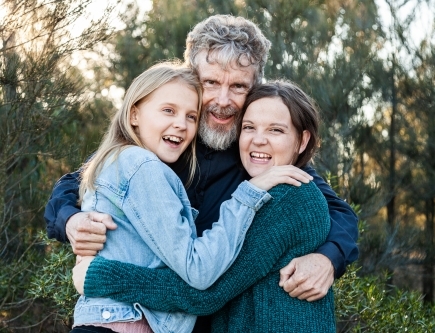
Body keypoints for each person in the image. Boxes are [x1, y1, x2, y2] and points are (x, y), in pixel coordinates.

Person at [44, 15, 359, 332]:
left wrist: (327, 259)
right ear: (191, 78)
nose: (222, 101)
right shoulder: (166, 140)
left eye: (237, 86)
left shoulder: (262, 157)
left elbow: (332, 209)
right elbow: (83, 178)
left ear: (253, 90)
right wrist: (70, 219)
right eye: (210, 83)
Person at [74, 80, 336, 332]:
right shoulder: (260, 191)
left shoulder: (289, 198)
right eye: (248, 127)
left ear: (302, 141)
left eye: (275, 130)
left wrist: (100, 275)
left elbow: (204, 294)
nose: (258, 140)